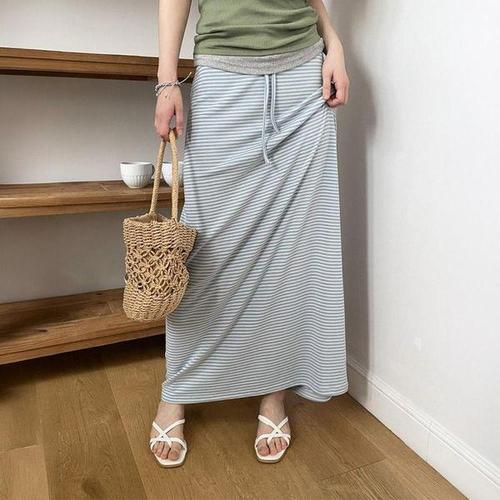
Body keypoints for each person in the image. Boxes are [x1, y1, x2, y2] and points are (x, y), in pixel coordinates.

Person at [149, 0, 350, 467]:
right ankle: (177, 390)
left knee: (292, 250)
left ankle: (273, 395)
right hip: (223, 70)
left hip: (304, 77)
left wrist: (335, 43)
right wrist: (166, 80)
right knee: (204, 249)